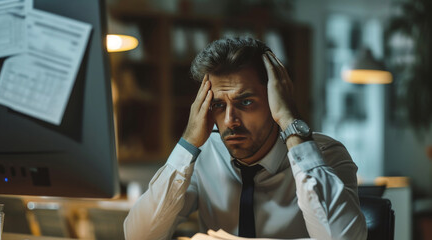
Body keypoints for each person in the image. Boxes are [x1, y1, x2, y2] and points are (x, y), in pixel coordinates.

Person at [123, 37, 367, 240]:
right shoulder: (206, 154)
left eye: (246, 102)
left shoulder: (327, 154)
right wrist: (188, 143)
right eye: (218, 105)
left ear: (276, 99)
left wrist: (290, 122)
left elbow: (342, 237)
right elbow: (138, 236)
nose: (230, 120)